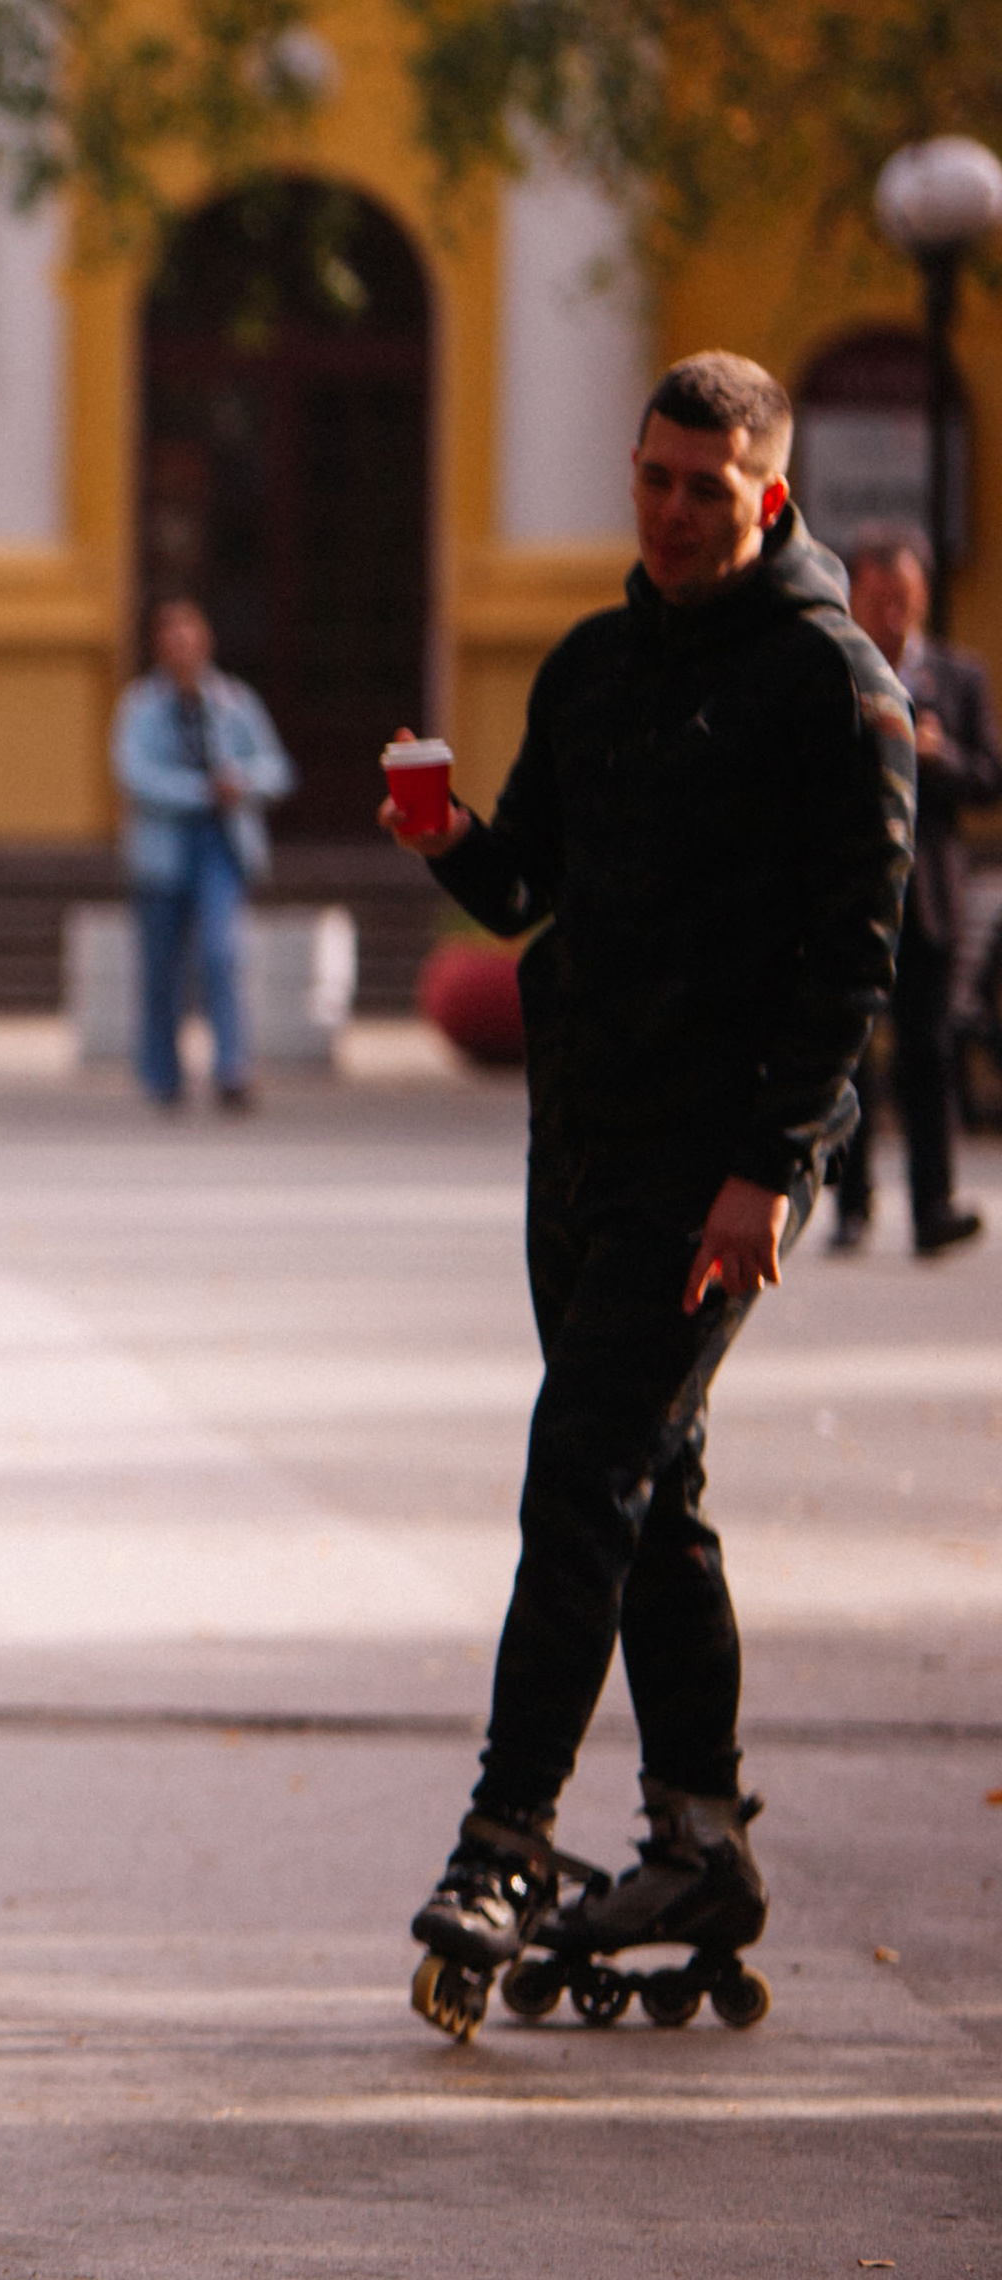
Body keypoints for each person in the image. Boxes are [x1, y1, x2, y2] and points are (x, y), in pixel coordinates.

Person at [379, 353, 913, 2041]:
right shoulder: (598, 665)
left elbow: (857, 960)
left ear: (771, 493)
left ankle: (506, 1839)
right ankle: (698, 1838)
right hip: (585, 1145)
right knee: (651, 1481)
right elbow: (534, 881)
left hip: (718, 1170)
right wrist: (445, 829)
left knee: (582, 1466)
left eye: (710, 488)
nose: (676, 514)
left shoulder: (835, 688)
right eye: (655, 479)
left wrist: (775, 1167)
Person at [827, 524, 1002, 1256]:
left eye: (903, 597)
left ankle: (933, 1204)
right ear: (856, 597)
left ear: (923, 595)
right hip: (848, 889)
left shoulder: (957, 678)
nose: (891, 612)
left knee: (928, 1049)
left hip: (926, 895)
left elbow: (990, 780)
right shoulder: (833, 669)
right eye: (877, 597)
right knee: (849, 1052)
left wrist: (941, 756)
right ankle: (852, 1204)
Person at [110, 599, 296, 1107]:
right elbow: (133, 774)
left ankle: (231, 1068)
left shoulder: (234, 700)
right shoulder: (141, 705)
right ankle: (161, 1075)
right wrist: (199, 792)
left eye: (190, 639)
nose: (183, 650)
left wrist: (241, 782)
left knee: (221, 955)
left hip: (221, 842)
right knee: (161, 968)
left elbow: (277, 769)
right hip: (163, 847)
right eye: (173, 641)